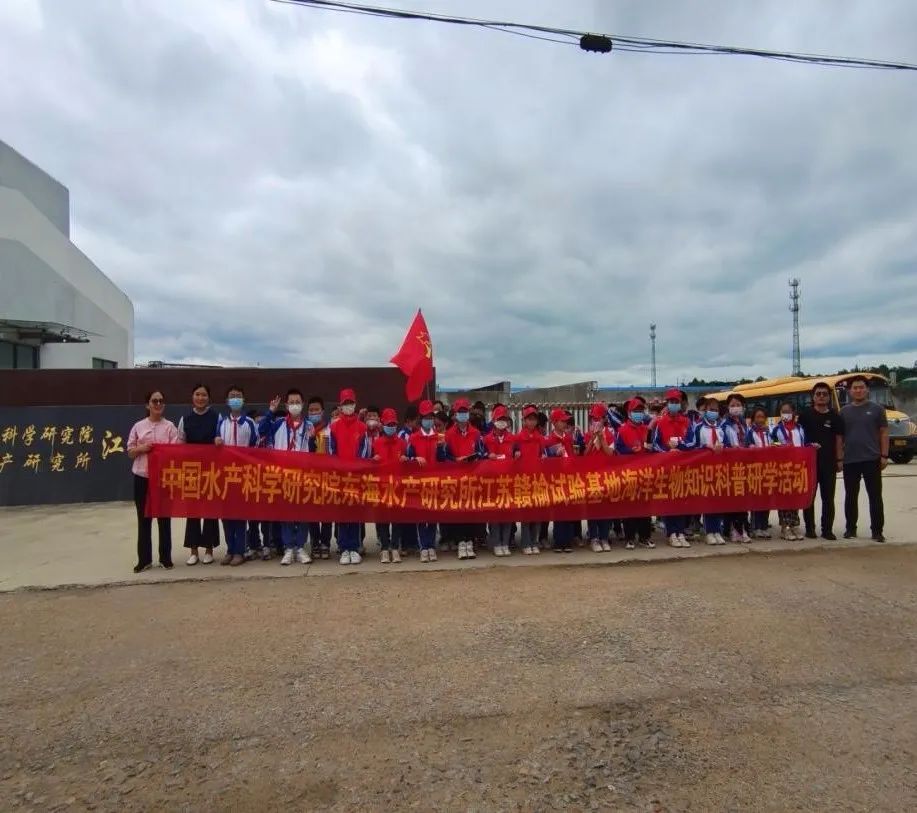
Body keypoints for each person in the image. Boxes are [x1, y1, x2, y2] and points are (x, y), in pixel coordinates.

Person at [127, 391, 180, 572]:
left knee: (164, 519)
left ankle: (165, 558)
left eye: (161, 401)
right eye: (154, 401)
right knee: (143, 519)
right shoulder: (138, 426)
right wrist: (142, 448)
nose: (157, 404)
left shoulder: (170, 427)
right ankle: (144, 559)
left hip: (163, 479)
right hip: (142, 477)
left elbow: (176, 452)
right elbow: (130, 452)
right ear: (147, 405)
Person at [260, 389, 313, 565]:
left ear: (302, 404)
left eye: (298, 401)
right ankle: (289, 547)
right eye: (291, 402)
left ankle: (300, 546)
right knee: (286, 512)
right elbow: (262, 430)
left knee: (303, 513)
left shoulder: (309, 426)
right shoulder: (278, 423)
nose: (295, 405)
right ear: (287, 405)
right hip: (283, 475)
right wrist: (270, 412)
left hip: (303, 476)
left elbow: (315, 451)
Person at [839, 376, 888, 543]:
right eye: (855, 388)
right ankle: (850, 528)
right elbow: (840, 437)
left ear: (867, 390)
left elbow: (883, 433)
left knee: (875, 496)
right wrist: (839, 458)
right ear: (850, 391)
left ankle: (877, 531)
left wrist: (884, 455)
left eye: (861, 387)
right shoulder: (844, 411)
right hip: (850, 460)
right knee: (851, 496)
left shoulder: (877, 409)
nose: (858, 390)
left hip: (872, 459)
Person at [215, 385, 259, 566]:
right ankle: (230, 549)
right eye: (232, 396)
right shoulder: (221, 422)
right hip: (224, 475)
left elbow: (256, 448)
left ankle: (240, 550)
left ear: (243, 400)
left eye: (238, 396)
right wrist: (216, 441)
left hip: (243, 475)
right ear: (227, 401)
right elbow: (215, 447)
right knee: (226, 515)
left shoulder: (249, 423)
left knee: (240, 514)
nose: (235, 399)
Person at [177, 384, 220, 566]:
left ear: (208, 397)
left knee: (210, 509)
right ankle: (194, 550)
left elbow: (220, 438)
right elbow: (180, 444)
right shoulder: (185, 419)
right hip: (191, 471)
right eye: (197, 394)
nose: (200, 398)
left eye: (204, 395)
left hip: (211, 470)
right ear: (192, 397)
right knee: (192, 511)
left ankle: (209, 549)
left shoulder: (217, 417)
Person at [798, 381, 845, 540]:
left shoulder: (835, 416)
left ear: (829, 397)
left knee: (828, 498)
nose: (821, 397)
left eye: (825, 394)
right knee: (809, 497)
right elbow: (799, 438)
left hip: (829, 462)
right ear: (813, 396)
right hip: (809, 463)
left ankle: (827, 530)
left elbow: (839, 439)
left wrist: (839, 459)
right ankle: (810, 528)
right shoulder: (805, 416)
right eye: (818, 394)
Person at [443, 398, 487, 560]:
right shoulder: (448, 434)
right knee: (459, 510)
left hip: (472, 476)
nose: (463, 415)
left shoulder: (476, 433)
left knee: (471, 510)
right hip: (456, 477)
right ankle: (461, 541)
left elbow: (482, 453)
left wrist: (475, 459)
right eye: (460, 412)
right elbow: (445, 457)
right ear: (455, 414)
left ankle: (470, 540)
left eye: (465, 411)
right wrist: (456, 461)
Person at [330, 388, 370, 565]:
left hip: (355, 477)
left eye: (350, 403)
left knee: (354, 513)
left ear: (355, 404)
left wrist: (357, 470)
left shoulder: (362, 427)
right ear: (340, 406)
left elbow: (365, 451)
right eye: (345, 403)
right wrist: (339, 471)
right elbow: (332, 451)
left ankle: (354, 547)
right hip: (339, 477)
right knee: (342, 514)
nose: (348, 406)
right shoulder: (334, 426)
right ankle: (344, 548)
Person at [651, 388, 693, 548]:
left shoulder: (687, 422)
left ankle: (680, 532)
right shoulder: (660, 422)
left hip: (683, 468)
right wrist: (668, 451)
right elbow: (655, 445)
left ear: (680, 403)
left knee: (681, 501)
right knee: (670, 501)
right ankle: (671, 533)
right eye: (671, 402)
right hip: (668, 468)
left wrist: (680, 446)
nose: (674, 404)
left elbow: (692, 442)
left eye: (676, 402)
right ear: (667, 404)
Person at [684, 396, 729, 545]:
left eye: (715, 410)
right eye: (710, 409)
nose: (713, 412)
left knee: (718, 500)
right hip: (704, 470)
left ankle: (717, 530)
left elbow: (727, 445)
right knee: (708, 500)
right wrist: (706, 448)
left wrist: (724, 448)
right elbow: (692, 445)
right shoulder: (698, 427)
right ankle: (709, 531)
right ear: (705, 411)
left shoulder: (721, 427)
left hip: (720, 469)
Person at [407, 400, 446, 561]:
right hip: (420, 482)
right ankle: (424, 546)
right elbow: (408, 458)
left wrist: (441, 448)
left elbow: (443, 460)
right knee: (422, 516)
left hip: (435, 481)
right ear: (420, 419)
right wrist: (415, 458)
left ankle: (431, 545)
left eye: (430, 416)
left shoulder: (439, 437)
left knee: (433, 515)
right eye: (425, 417)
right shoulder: (414, 437)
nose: (428, 420)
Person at [614, 399, 655, 549]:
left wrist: (648, 446)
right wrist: (631, 451)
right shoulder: (622, 430)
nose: (638, 414)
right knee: (629, 506)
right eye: (635, 411)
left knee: (645, 506)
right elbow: (618, 450)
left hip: (645, 473)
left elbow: (652, 449)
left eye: (640, 411)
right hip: (629, 473)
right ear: (629, 413)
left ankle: (645, 537)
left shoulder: (646, 429)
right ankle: (629, 537)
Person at [372, 407, 410, 563]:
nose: (391, 426)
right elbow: (368, 464)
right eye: (388, 424)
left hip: (397, 486)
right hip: (381, 487)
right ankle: (384, 547)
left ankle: (395, 547)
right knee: (382, 519)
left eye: (393, 424)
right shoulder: (377, 442)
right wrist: (373, 459)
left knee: (396, 519)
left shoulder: (402, 443)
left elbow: (408, 462)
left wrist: (406, 460)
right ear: (382, 423)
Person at [544, 407, 584, 553]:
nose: (564, 424)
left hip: (569, 478)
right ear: (554, 422)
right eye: (562, 421)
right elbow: (545, 460)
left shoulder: (568, 438)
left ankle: (568, 540)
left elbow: (572, 456)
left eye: (565, 421)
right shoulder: (549, 440)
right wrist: (555, 455)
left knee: (568, 509)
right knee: (558, 511)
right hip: (556, 480)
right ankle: (558, 540)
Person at [770, 400, 808, 541]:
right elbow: (771, 443)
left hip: (798, 467)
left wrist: (811, 446)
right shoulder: (777, 429)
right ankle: (784, 526)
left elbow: (804, 444)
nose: (786, 414)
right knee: (784, 497)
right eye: (783, 412)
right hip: (783, 467)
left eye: (788, 411)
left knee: (795, 496)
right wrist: (781, 445)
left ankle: (794, 524)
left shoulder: (800, 429)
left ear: (794, 413)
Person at [583, 403, 616, 552]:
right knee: (593, 509)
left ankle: (604, 537)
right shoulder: (587, 434)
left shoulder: (610, 434)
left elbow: (610, 454)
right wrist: (592, 438)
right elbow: (584, 455)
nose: (595, 421)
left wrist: (602, 439)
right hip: (591, 477)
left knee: (606, 509)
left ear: (604, 419)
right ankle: (594, 538)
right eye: (592, 419)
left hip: (606, 476)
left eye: (598, 418)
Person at [484, 405, 516, 556]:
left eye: (504, 419)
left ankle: (505, 542)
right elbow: (481, 459)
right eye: (499, 419)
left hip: (508, 481)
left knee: (508, 513)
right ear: (494, 421)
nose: (502, 422)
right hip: (493, 482)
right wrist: (487, 456)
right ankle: (496, 542)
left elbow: (517, 456)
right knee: (495, 513)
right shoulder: (487, 439)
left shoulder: (512, 439)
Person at [514, 405, 547, 554]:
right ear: (523, 420)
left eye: (534, 419)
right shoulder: (518, 438)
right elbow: (513, 457)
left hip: (537, 479)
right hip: (524, 479)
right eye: (529, 419)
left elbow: (544, 453)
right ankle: (526, 542)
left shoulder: (540, 438)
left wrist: (545, 458)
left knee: (537, 513)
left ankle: (535, 541)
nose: (532, 422)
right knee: (526, 514)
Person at [720, 394, 752, 543]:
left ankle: (743, 528)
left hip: (743, 465)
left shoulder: (744, 425)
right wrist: (730, 448)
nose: (735, 408)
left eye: (738, 404)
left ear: (743, 407)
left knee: (743, 498)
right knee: (731, 499)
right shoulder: (723, 425)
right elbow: (722, 443)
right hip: (729, 465)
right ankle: (731, 529)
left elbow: (747, 441)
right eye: (732, 405)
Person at [744, 406, 774, 539]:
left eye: (762, 417)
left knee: (766, 498)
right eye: (758, 417)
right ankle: (756, 526)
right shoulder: (750, 432)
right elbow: (747, 447)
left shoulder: (768, 432)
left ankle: (764, 525)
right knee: (756, 498)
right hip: (755, 470)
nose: (760, 419)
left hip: (768, 468)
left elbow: (774, 445)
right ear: (753, 419)